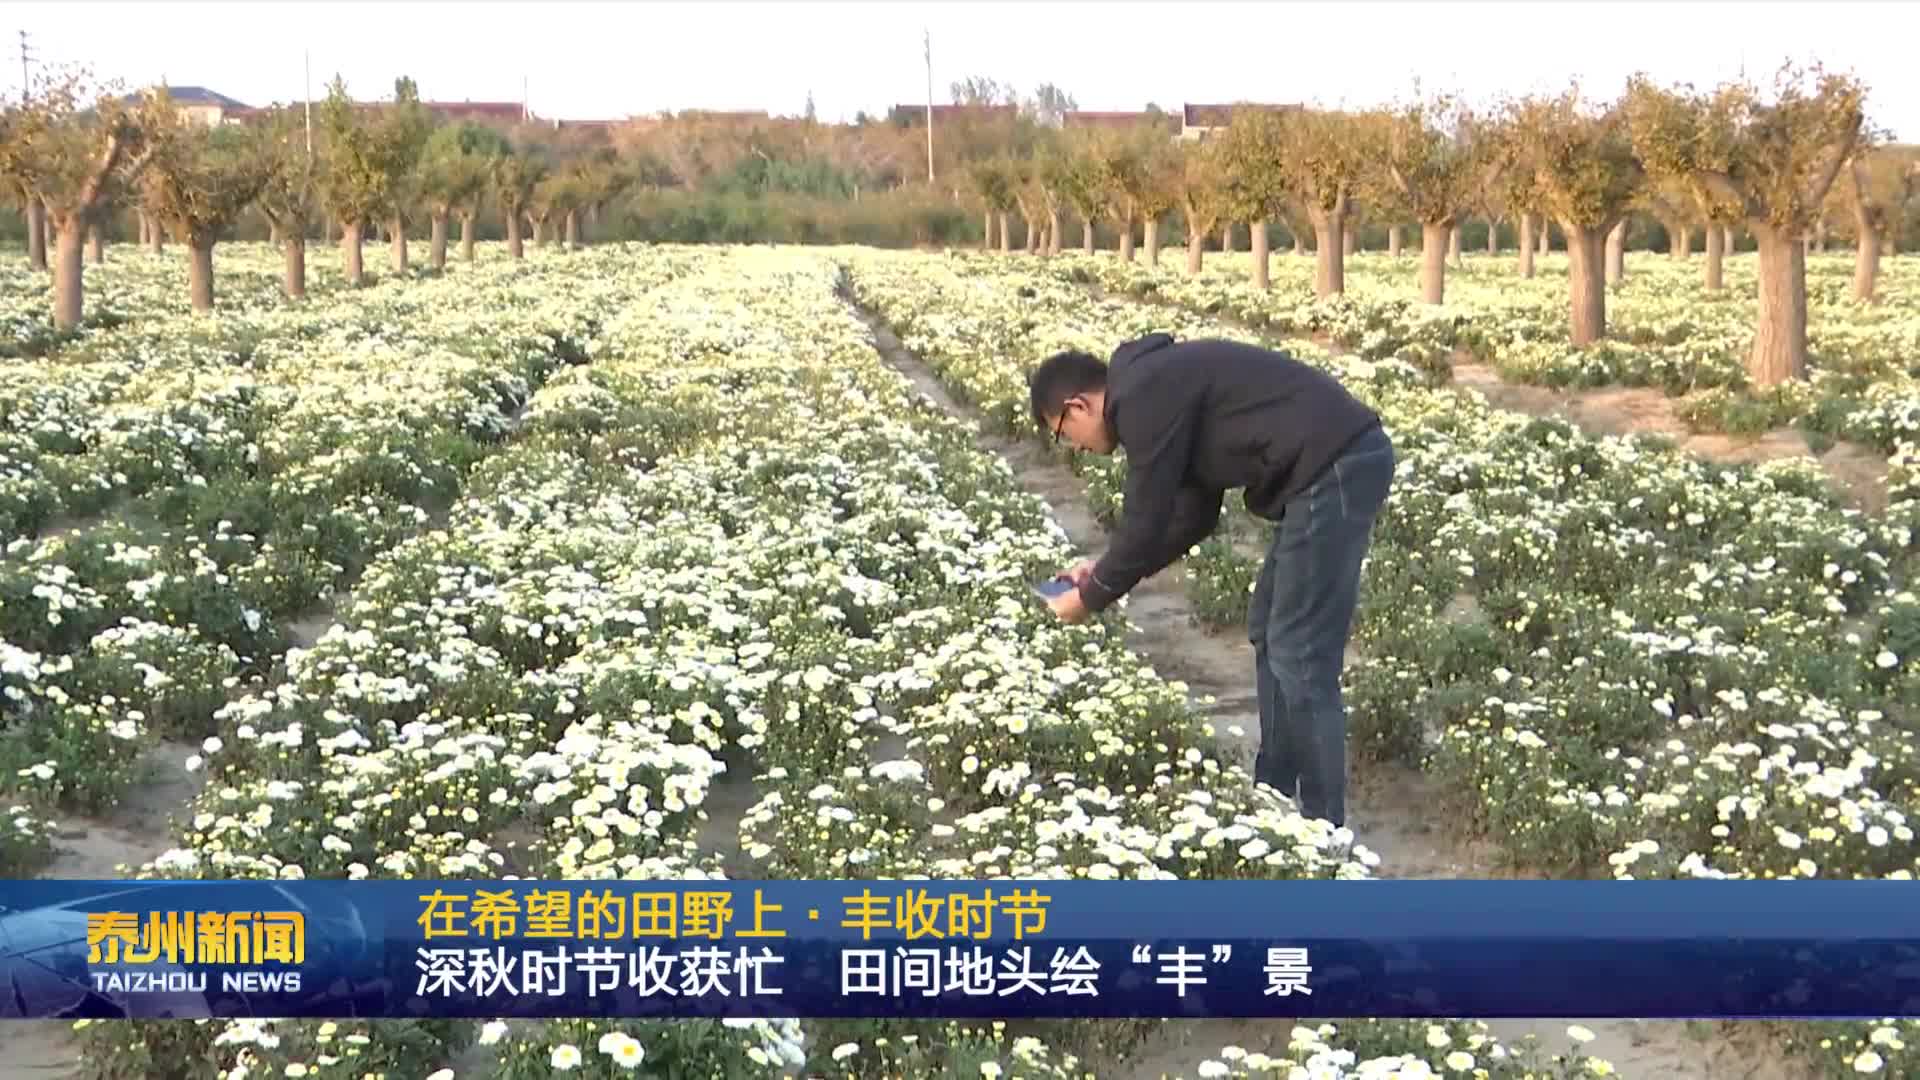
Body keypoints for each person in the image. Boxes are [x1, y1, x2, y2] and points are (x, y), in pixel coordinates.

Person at [1028, 333, 1394, 828]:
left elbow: (1145, 518)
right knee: (1270, 630)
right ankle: (1277, 790)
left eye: (1063, 433)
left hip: (1336, 467)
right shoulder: (1157, 390)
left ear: (1078, 406)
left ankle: (1321, 824)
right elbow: (1189, 518)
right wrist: (1101, 571)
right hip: (1324, 471)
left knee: (1299, 651)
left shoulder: (1142, 396)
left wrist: (1092, 596)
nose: (1075, 447)